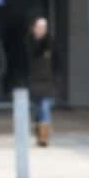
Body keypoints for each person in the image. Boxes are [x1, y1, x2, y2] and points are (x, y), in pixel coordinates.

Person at [27, 17, 59, 146]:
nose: (42, 30)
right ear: (34, 28)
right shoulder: (28, 43)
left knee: (45, 108)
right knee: (35, 111)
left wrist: (57, 80)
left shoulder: (51, 43)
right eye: (39, 27)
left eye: (44, 27)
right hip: (32, 83)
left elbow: (58, 63)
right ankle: (38, 134)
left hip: (47, 83)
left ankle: (44, 138)